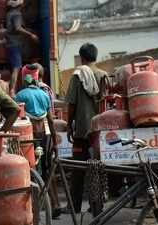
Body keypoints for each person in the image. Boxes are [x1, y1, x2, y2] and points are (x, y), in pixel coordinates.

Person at [65, 43, 108, 214]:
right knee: (97, 168)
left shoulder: (77, 75)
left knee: (78, 168)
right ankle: (96, 206)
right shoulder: (103, 75)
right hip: (100, 132)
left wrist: (69, 125)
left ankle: (74, 206)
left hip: (82, 130)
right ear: (95, 57)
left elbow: (71, 104)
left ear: (81, 57)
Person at [14, 64, 61, 218]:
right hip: (45, 136)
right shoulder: (44, 94)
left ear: (24, 79)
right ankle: (55, 204)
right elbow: (51, 122)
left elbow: (16, 120)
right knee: (48, 170)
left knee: (31, 171)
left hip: (29, 138)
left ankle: (35, 212)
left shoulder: (19, 96)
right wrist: (55, 143)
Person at [6, 0, 39, 96]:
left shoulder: (9, 13)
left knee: (16, 67)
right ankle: (12, 91)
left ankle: (15, 89)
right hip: (15, 43)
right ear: (21, 5)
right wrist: (31, 35)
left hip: (11, 43)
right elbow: (17, 28)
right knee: (17, 68)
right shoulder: (17, 14)